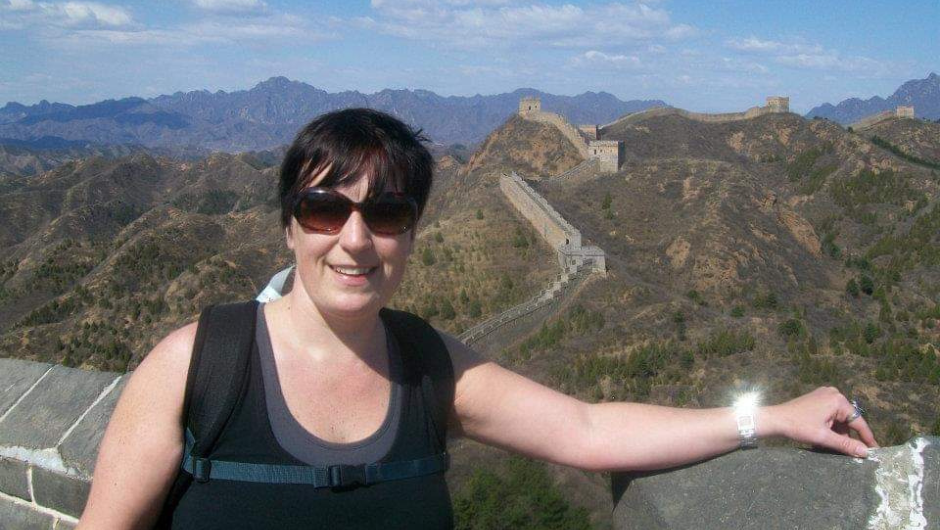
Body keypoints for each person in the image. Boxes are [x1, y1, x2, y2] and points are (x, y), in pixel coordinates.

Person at [78, 108, 878, 529]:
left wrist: (769, 416)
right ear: (289, 226)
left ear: (413, 233)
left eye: (387, 214)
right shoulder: (198, 365)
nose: (355, 239)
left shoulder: (430, 369)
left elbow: (589, 429)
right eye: (324, 210)